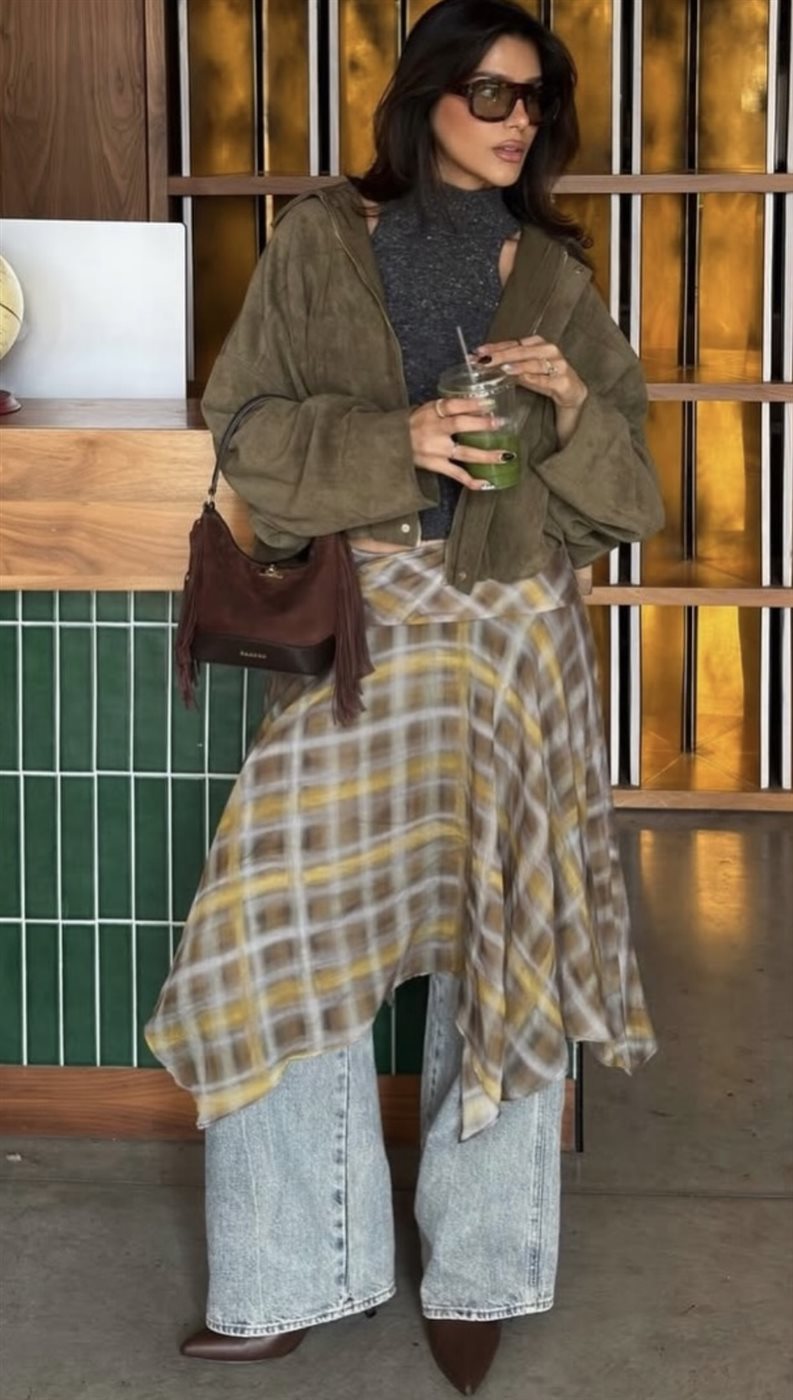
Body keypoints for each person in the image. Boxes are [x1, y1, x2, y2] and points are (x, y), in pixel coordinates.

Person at [146, 0, 664, 1392]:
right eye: (490, 94)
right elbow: (246, 429)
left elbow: (632, 500)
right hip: (372, 630)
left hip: (517, 639)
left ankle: (481, 1267)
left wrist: (573, 411)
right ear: (424, 96)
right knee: (275, 930)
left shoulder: (555, 273)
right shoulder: (323, 241)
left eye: (535, 101)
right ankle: (288, 1265)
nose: (516, 122)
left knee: (506, 945)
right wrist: (402, 440)